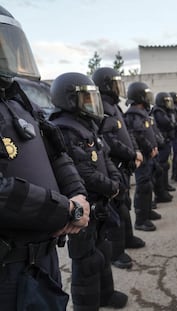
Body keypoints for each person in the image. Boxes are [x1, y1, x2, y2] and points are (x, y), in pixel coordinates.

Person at [0, 6, 90, 311]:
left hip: (42, 259)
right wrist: (64, 210)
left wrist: (77, 196)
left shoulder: (16, 100)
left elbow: (57, 152)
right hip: (7, 272)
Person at [50, 72, 129, 310]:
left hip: (101, 205)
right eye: (86, 98)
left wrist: (115, 181)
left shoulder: (87, 126)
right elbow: (84, 172)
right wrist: (112, 186)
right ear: (70, 100)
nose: (91, 103)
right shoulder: (65, 129)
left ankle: (106, 295)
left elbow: (106, 158)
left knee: (103, 251)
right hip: (84, 207)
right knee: (87, 263)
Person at [92, 67, 145, 270]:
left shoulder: (115, 107)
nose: (118, 88)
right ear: (105, 85)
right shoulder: (103, 107)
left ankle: (128, 239)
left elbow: (127, 133)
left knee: (125, 206)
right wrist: (131, 153)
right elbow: (109, 139)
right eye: (114, 83)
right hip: (114, 165)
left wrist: (135, 151)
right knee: (117, 210)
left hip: (125, 166)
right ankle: (116, 253)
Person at [124, 82, 162, 232]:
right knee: (143, 187)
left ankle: (147, 212)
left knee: (149, 185)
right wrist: (149, 148)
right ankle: (140, 220)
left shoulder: (143, 113)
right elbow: (138, 135)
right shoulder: (133, 115)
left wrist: (156, 145)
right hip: (144, 157)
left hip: (150, 156)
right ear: (139, 97)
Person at [151, 92, 176, 203]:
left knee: (165, 166)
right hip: (161, 143)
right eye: (166, 101)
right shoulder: (158, 111)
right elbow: (167, 123)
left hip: (166, 142)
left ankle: (165, 188)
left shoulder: (165, 111)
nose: (168, 104)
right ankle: (160, 193)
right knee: (161, 168)